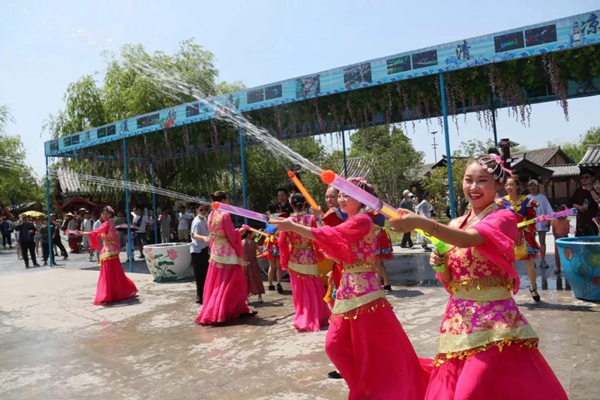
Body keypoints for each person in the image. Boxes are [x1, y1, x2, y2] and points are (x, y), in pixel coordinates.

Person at [391, 152, 568, 400]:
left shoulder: (504, 217)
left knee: (469, 393)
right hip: (459, 321)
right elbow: (452, 281)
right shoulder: (455, 224)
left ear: (497, 185)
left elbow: (472, 239)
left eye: (482, 180)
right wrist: (440, 265)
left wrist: (424, 223)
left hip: (494, 322)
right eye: (468, 179)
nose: (473, 187)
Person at [275, 178, 427, 399]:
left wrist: (293, 226)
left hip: (365, 295)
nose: (341, 199)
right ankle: (364, 387)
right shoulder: (352, 221)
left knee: (373, 349)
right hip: (348, 291)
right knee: (335, 345)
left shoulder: (363, 221)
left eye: (347, 195)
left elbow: (332, 235)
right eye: (340, 195)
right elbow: (335, 243)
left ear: (362, 199)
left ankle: (372, 389)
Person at [195, 191, 256, 325]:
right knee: (233, 282)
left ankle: (229, 309)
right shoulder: (225, 215)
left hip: (216, 251)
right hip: (227, 252)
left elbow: (213, 232)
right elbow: (230, 235)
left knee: (217, 282)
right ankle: (226, 310)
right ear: (223, 200)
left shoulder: (211, 214)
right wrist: (241, 231)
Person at [278, 193, 331, 332]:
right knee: (314, 286)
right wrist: (320, 254)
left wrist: (284, 259)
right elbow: (317, 237)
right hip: (309, 255)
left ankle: (303, 315)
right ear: (305, 204)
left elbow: (282, 242)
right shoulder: (311, 218)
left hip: (295, 256)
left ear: (291, 205)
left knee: (299, 289)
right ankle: (317, 316)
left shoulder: (287, 221)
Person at [79, 206, 138, 305]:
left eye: (107, 213)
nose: (104, 215)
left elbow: (95, 232)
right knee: (115, 273)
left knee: (107, 274)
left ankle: (107, 295)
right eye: (103, 213)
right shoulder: (111, 223)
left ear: (110, 214)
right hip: (112, 251)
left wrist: (81, 233)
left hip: (108, 252)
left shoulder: (106, 223)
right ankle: (117, 292)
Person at [498, 175, 541, 302]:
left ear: (517, 186)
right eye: (506, 185)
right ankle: (508, 289)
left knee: (529, 264)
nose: (508, 187)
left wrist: (528, 226)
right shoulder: (500, 202)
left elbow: (532, 216)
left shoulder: (526, 201)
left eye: (511, 184)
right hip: (507, 236)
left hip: (524, 235)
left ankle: (533, 288)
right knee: (508, 264)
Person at [528, 179, 554, 268]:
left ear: (537, 186)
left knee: (542, 241)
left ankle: (543, 260)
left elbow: (548, 210)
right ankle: (532, 261)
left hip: (542, 222)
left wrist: (549, 221)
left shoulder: (542, 197)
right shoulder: (527, 198)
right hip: (530, 223)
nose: (532, 187)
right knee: (531, 242)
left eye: (534, 185)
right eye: (531, 185)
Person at [190, 204, 210, 304]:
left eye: (205, 210)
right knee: (199, 275)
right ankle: (200, 296)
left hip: (204, 249)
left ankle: (205, 295)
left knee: (206, 273)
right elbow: (194, 235)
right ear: (197, 210)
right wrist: (203, 238)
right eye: (201, 210)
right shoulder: (197, 221)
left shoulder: (205, 220)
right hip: (197, 250)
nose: (203, 212)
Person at [570, 169, 599, 236]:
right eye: (582, 178)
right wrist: (578, 207)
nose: (584, 179)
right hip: (581, 221)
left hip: (594, 221)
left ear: (592, 178)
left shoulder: (596, 189)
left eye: (586, 177)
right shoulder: (578, 190)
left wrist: (591, 190)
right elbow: (571, 202)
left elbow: (597, 199)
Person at [264, 204, 284, 294]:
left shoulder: (267, 218)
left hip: (268, 242)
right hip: (277, 241)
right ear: (278, 209)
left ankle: (270, 284)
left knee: (271, 266)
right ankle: (279, 283)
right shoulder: (279, 217)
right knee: (279, 266)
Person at [242, 230, 265, 304]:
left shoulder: (241, 242)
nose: (253, 234)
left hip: (245, 263)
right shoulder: (254, 243)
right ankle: (260, 297)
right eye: (252, 233)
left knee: (246, 280)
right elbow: (261, 252)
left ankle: (246, 299)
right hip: (254, 263)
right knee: (257, 279)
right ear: (248, 234)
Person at [551, 209, 571, 275]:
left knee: (566, 253)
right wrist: (556, 236)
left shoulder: (566, 221)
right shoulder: (554, 221)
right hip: (557, 238)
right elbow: (553, 230)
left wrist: (563, 236)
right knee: (557, 254)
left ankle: (566, 267)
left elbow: (567, 230)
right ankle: (558, 268)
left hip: (564, 238)